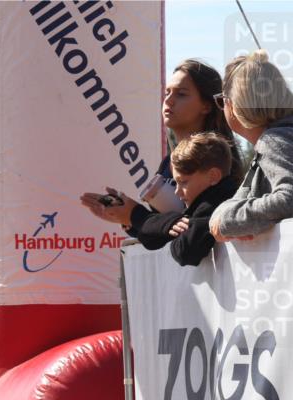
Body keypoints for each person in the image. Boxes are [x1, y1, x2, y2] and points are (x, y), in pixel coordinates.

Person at [81, 59, 242, 232]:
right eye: (167, 93)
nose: (169, 101)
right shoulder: (167, 163)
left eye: (181, 94)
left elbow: (196, 229)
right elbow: (162, 232)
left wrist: (135, 215)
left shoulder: (217, 157)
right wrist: (124, 216)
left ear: (206, 106)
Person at [210, 50, 293, 242]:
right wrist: (227, 219)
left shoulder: (274, 140)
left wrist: (228, 222)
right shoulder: (277, 138)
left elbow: (289, 200)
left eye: (223, 99)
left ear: (234, 104)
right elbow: (231, 205)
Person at [131, 132, 237, 266]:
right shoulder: (203, 203)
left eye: (184, 182)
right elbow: (147, 238)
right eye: (176, 183)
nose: (177, 191)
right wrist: (170, 223)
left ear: (213, 176)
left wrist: (174, 231)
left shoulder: (215, 204)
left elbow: (185, 252)